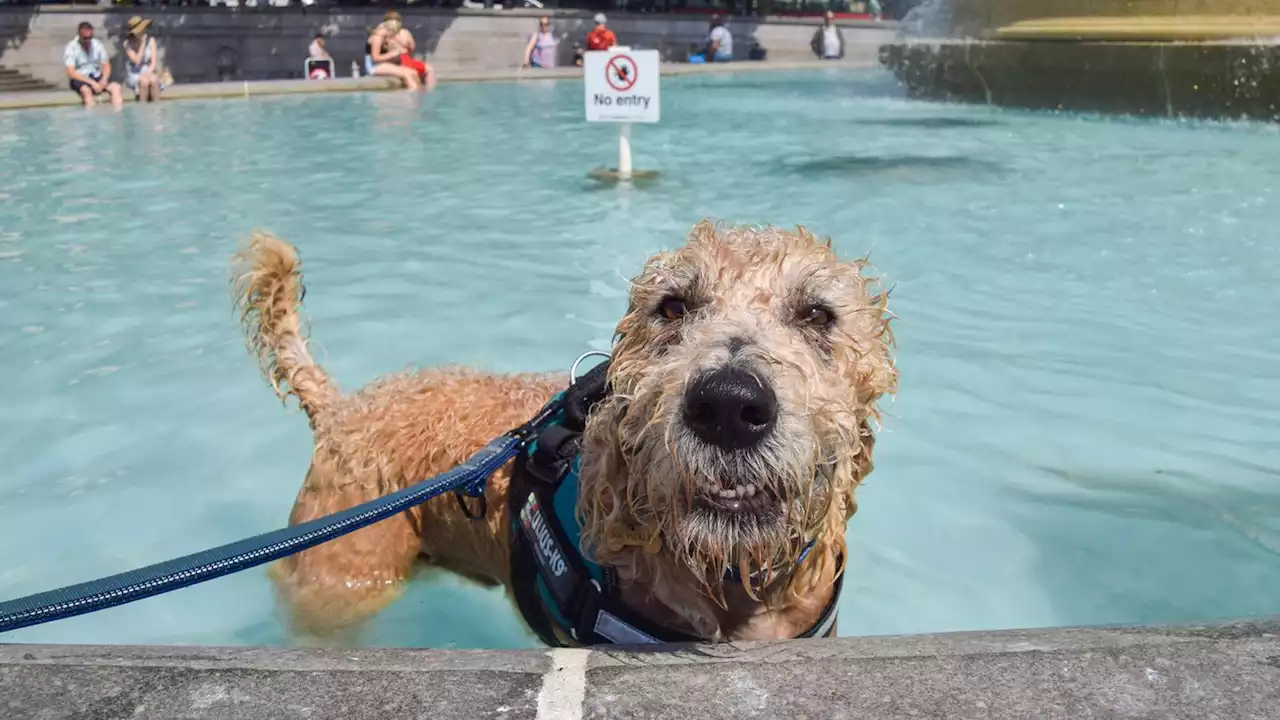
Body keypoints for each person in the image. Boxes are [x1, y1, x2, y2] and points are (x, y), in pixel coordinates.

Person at [365, 11, 434, 91]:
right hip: (374, 66)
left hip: (385, 63)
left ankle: (418, 96)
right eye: (394, 32)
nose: (394, 35)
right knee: (407, 74)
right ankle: (411, 96)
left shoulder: (387, 36)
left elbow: (408, 47)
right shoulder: (377, 37)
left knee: (413, 73)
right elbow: (375, 58)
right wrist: (394, 53)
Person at [64, 21, 122, 109]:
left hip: (95, 75)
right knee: (86, 91)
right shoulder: (71, 47)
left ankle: (116, 115)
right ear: (79, 35)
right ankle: (92, 117)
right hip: (80, 77)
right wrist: (92, 83)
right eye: (85, 38)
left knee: (116, 88)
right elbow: (70, 72)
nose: (88, 40)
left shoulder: (97, 44)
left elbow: (106, 65)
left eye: (90, 37)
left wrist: (104, 80)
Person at [123, 16, 163, 102]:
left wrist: (148, 72)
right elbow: (137, 61)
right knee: (144, 82)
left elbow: (153, 62)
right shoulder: (127, 44)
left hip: (148, 69)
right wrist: (142, 44)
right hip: (134, 72)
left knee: (154, 80)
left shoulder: (151, 40)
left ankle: (156, 109)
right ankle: (142, 108)